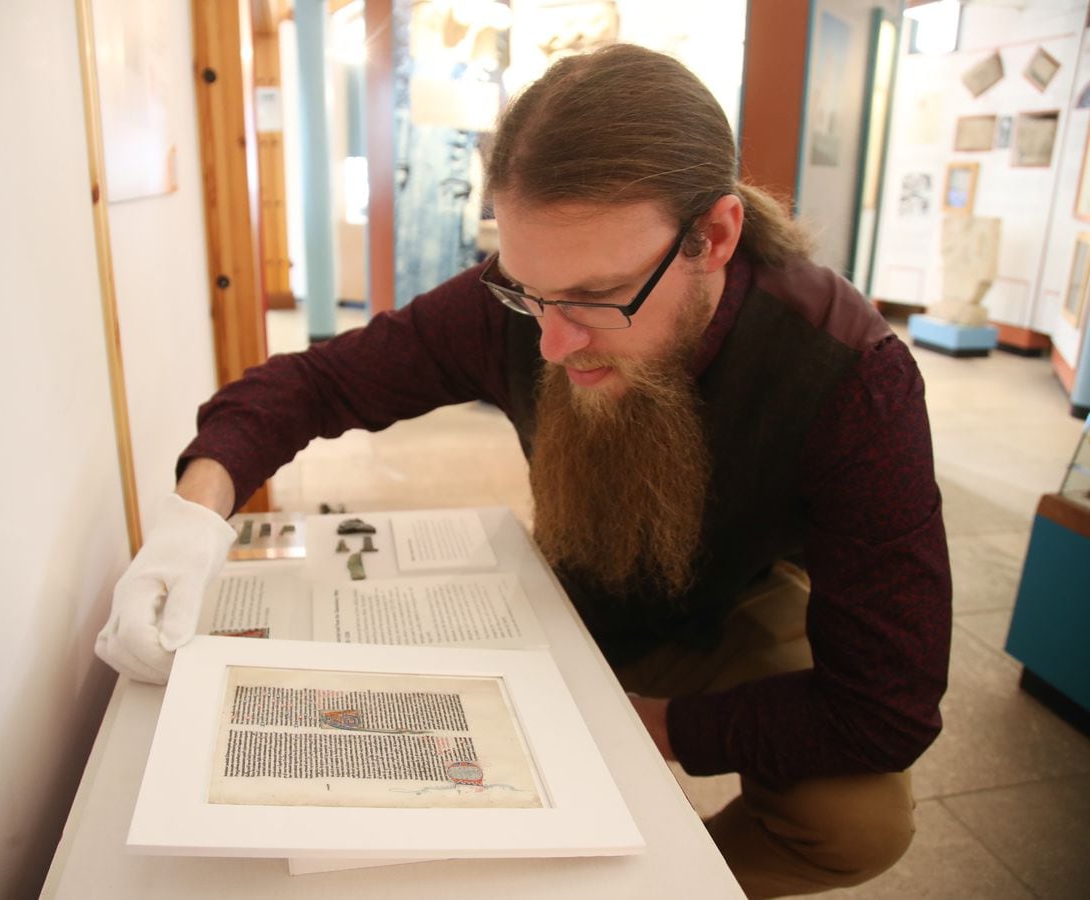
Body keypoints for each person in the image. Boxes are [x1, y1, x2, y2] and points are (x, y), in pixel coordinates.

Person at [96, 44, 951, 898]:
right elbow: (315, 382)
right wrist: (195, 517)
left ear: (714, 237)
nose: (551, 341)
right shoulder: (524, 306)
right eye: (526, 293)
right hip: (569, 583)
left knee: (857, 820)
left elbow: (887, 706)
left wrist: (652, 730)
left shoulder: (849, 374)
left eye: (595, 297)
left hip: (729, 601)